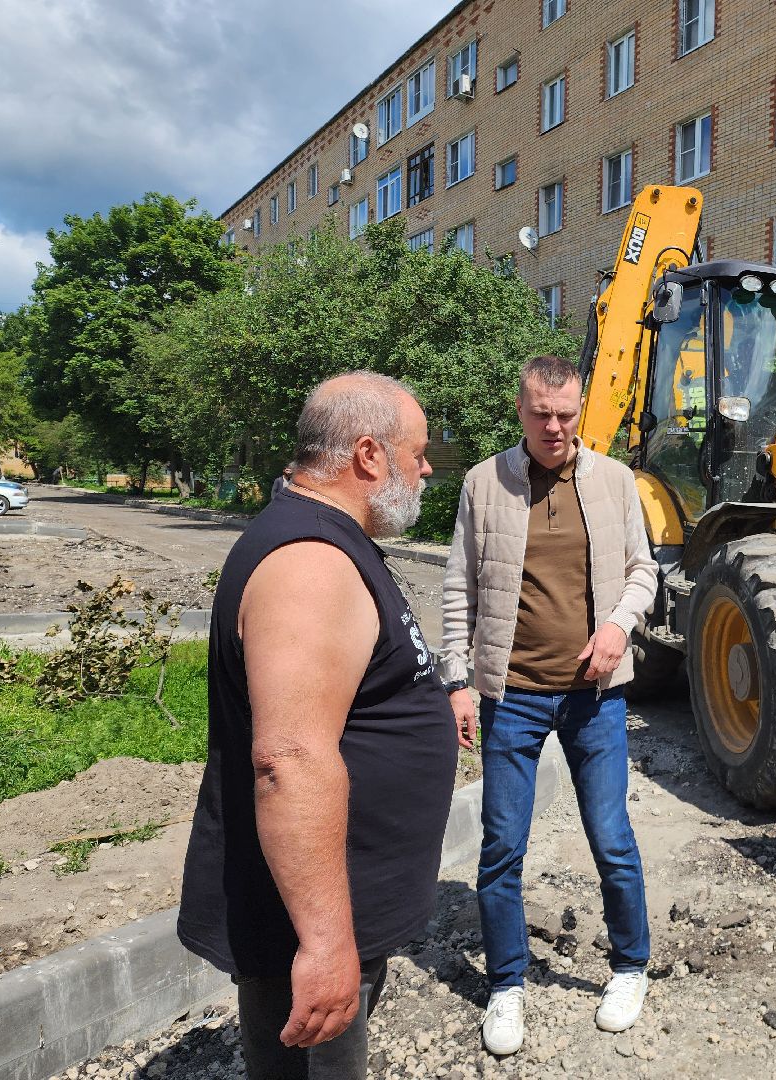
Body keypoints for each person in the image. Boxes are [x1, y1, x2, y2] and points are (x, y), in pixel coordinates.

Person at [178, 371, 458, 1079]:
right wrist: (327, 945)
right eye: (418, 452)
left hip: (333, 908)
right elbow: (290, 761)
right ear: (369, 455)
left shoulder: (328, 537)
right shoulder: (310, 564)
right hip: (305, 927)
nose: (427, 468)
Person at [438, 354, 658, 1057]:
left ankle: (629, 967)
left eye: (566, 414)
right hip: (512, 697)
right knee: (502, 846)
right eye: (541, 413)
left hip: (593, 697)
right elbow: (456, 588)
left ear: (580, 408)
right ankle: (507, 985)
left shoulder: (615, 480)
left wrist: (619, 626)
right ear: (520, 407)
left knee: (611, 837)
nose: (554, 427)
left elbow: (643, 571)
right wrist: (456, 681)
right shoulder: (484, 482)